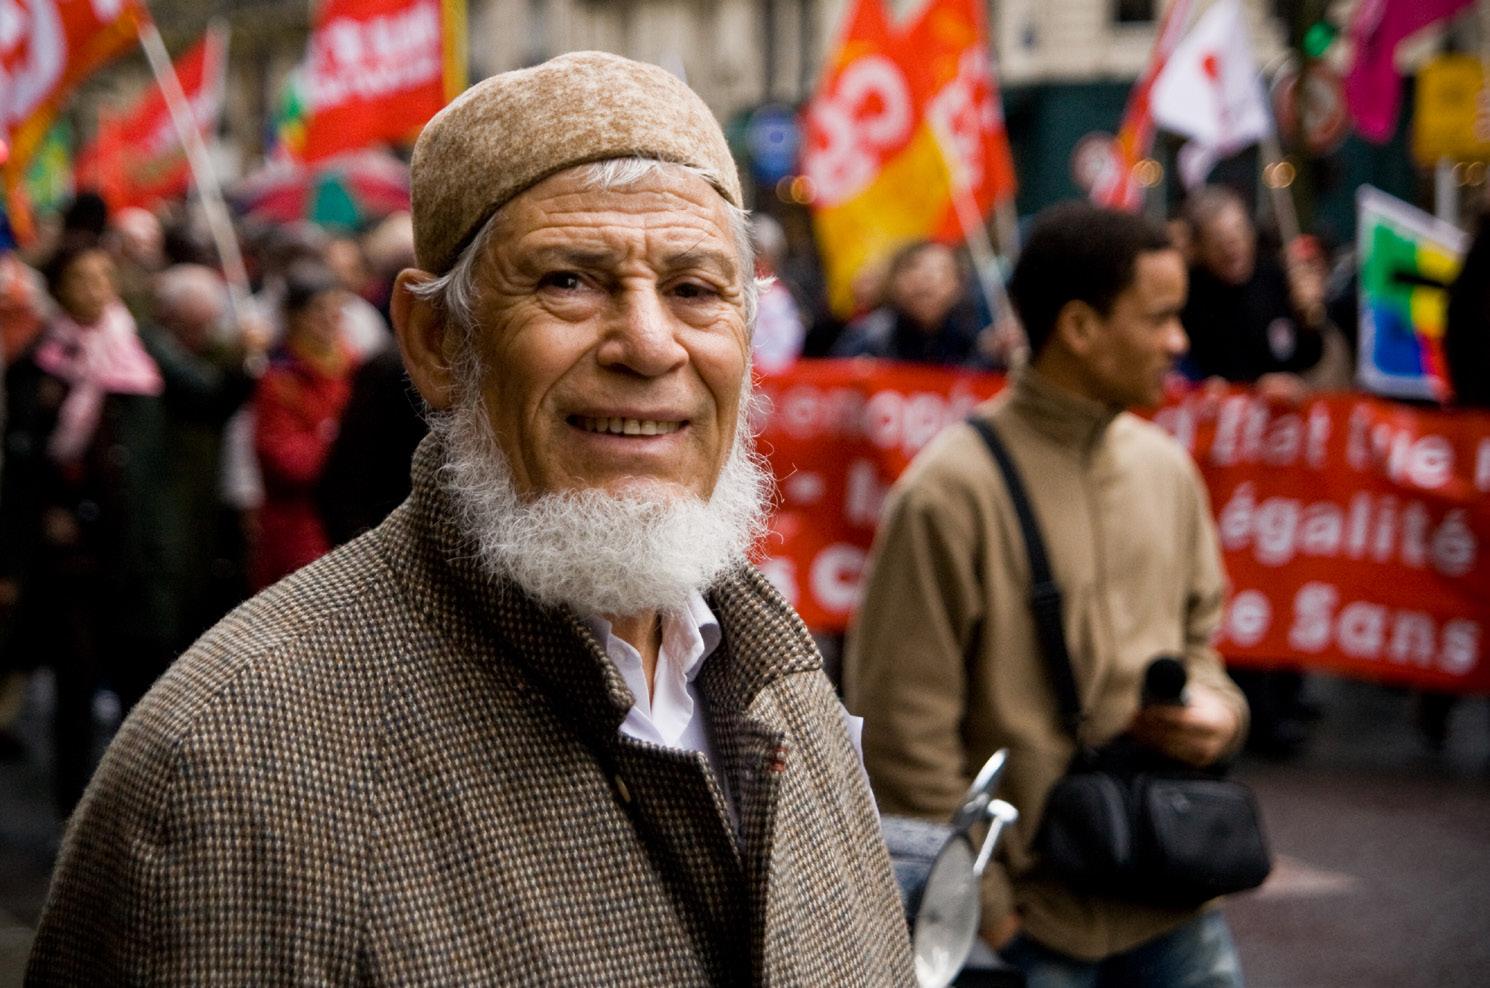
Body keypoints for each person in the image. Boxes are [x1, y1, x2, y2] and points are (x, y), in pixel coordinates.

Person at [29, 51, 912, 984]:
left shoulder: (777, 675)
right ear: (437, 341)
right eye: (569, 281)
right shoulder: (232, 767)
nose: (651, 345)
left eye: (695, 289)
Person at [843, 202, 1250, 986]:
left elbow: (1203, 644)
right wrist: (991, 910)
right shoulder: (948, 494)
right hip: (1035, 932)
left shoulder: (1167, 471)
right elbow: (903, 735)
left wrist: (1219, 715)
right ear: (1080, 328)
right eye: (1159, 317)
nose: (1179, 341)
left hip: (1179, 903)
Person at [0, 237, 168, 814]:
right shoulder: (39, 363)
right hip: (68, 554)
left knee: (140, 683)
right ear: (60, 291)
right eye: (82, 280)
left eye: (104, 277)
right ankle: (72, 811)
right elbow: (24, 464)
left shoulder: (139, 347)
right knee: (74, 682)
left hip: (130, 547)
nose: (96, 290)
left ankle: (136, 806)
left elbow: (205, 396)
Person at [250, 263, 355, 590]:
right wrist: (339, 442)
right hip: (299, 528)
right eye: (319, 310)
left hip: (346, 520)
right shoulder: (279, 380)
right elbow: (288, 461)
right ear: (295, 317)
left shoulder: (354, 367)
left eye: (337, 309)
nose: (331, 319)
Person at [831, 239, 987, 367]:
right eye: (914, 267)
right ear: (894, 281)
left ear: (958, 286)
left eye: (939, 271)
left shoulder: (971, 342)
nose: (925, 280)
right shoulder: (868, 338)